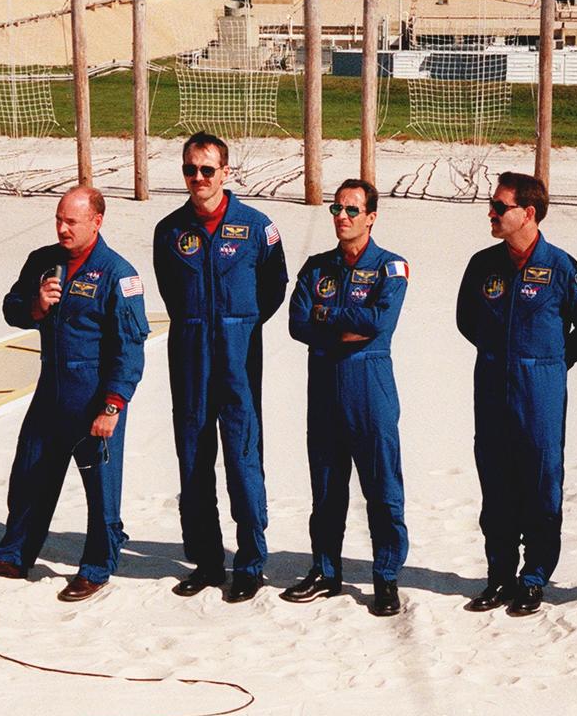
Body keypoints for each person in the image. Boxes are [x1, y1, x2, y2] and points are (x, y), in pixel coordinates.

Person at [0, 186, 148, 602]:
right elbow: (11, 307)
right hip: (51, 388)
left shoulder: (119, 273)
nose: (63, 228)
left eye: (72, 222)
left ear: (96, 222)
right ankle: (14, 555)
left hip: (94, 395)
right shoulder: (43, 262)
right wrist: (35, 306)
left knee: (100, 489)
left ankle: (97, 566)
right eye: (58, 220)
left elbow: (129, 347)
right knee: (29, 475)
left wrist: (113, 405)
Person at [456, 172, 577, 617]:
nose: (492, 213)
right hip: (492, 387)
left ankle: (534, 577)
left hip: (539, 392)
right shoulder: (482, 264)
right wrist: (498, 354)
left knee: (541, 484)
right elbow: (467, 320)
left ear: (529, 213)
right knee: (496, 484)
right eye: (492, 205)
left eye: (500, 207)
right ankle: (499, 575)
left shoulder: (562, 267)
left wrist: (554, 361)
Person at [153, 132, 288, 603]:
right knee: (193, 462)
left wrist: (241, 325)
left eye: (207, 170)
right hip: (189, 357)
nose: (198, 178)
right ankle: (208, 562)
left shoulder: (256, 226)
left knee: (243, 459)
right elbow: (170, 289)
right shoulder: (169, 231)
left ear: (225, 172)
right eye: (190, 169)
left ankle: (250, 563)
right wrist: (199, 324)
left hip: (238, 358)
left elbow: (275, 285)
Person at [283, 179, 410, 617]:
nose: (342, 216)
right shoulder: (317, 268)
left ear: (371, 217)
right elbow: (297, 323)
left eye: (352, 210)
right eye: (337, 208)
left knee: (382, 487)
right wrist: (340, 323)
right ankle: (325, 571)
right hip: (324, 387)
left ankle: (386, 576)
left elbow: (379, 321)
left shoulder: (390, 267)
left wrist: (328, 318)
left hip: (369, 385)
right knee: (326, 487)